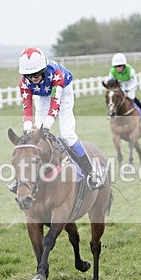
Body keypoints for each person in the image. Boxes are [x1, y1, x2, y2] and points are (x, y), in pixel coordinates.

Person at [10, 47, 104, 190]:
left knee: (68, 135)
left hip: (62, 93)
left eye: (37, 73)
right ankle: (22, 179)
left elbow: (55, 105)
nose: (34, 78)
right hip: (41, 96)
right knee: (33, 138)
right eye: (30, 75)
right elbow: (27, 107)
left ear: (43, 69)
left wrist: (46, 126)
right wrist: (27, 129)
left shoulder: (56, 75)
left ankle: (91, 173)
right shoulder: (24, 83)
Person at [106, 53, 141, 117]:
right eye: (116, 66)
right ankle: (112, 112)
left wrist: (128, 89)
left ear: (124, 65)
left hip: (130, 83)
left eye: (120, 66)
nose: (118, 68)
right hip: (121, 83)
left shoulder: (130, 70)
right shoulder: (112, 71)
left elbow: (135, 82)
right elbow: (109, 82)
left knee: (131, 96)